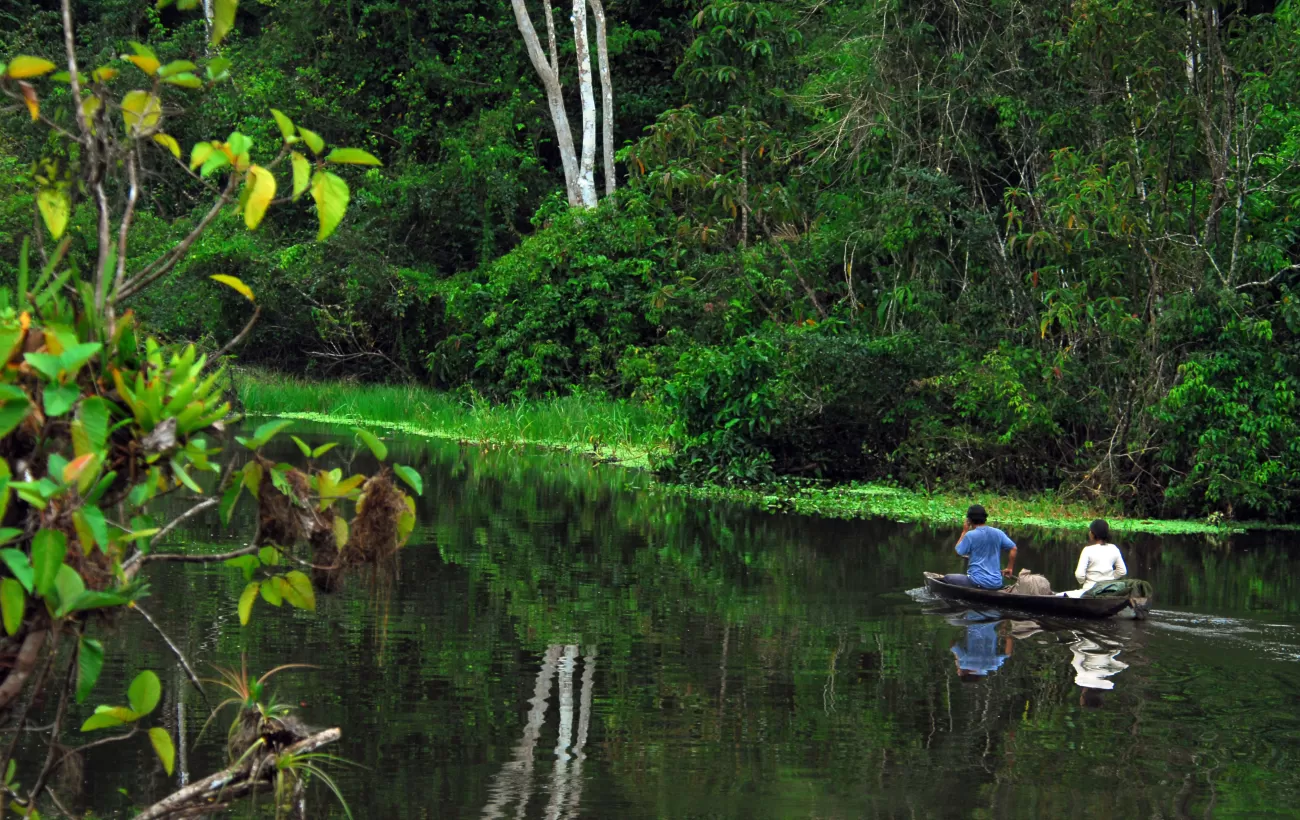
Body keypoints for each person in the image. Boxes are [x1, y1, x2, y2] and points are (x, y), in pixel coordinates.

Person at [942, 504, 1017, 589]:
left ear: (969, 520)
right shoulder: (998, 533)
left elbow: (957, 552)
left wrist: (964, 531)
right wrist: (1009, 568)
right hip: (996, 583)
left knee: (947, 578)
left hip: (977, 582)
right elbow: (1013, 548)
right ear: (985, 518)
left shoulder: (970, 535)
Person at [1058, 519, 1126, 599]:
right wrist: (1109, 578)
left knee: (1057, 595)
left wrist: (1083, 582)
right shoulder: (1114, 548)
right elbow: (1122, 571)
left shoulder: (1087, 550)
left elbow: (1079, 575)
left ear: (1093, 534)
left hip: (1089, 591)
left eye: (1090, 531)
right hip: (1109, 590)